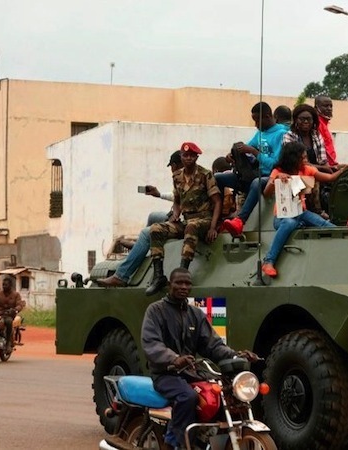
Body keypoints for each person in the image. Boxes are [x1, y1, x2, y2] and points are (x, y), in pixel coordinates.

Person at [141, 268, 258, 450]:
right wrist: (173, 359)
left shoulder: (196, 315)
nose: (183, 287)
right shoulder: (156, 311)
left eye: (187, 283)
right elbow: (151, 344)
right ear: (169, 285)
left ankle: (203, 440)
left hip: (191, 373)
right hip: (165, 374)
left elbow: (213, 345)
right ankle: (174, 443)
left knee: (220, 396)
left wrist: (236, 355)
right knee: (187, 397)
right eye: (179, 283)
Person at [261, 141, 348, 277]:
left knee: (321, 222)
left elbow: (330, 178)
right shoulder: (278, 171)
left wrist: (345, 169)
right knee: (289, 223)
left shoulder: (307, 170)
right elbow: (266, 192)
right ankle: (268, 261)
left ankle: (343, 232)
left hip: (300, 213)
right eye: (303, 158)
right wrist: (276, 178)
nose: (306, 160)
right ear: (293, 158)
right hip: (282, 217)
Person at [97, 150, 185, 288]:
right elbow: (177, 198)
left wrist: (177, 215)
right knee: (153, 216)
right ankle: (142, 247)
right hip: (178, 216)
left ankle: (122, 275)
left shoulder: (192, 177)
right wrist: (160, 195)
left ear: (175, 165)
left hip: (187, 222)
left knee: (146, 233)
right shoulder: (183, 177)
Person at [145, 142, 221, 296]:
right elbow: (177, 200)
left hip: (203, 220)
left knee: (191, 227)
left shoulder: (205, 175)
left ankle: (181, 274)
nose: (188, 158)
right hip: (185, 220)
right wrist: (175, 213)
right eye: (185, 155)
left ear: (196, 157)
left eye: (191, 155)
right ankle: (159, 276)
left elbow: (217, 201)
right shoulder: (177, 176)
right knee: (155, 229)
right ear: (181, 156)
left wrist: (213, 227)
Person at [218, 102, 289, 236]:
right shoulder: (260, 133)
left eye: (257, 120)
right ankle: (219, 218)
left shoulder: (282, 134)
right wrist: (234, 154)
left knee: (257, 182)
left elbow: (275, 164)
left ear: (268, 116)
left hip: (271, 176)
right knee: (218, 178)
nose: (256, 125)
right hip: (253, 174)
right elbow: (248, 147)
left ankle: (240, 221)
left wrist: (254, 152)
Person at [0, 276, 24, 351]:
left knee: (8, 322)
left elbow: (20, 304)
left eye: (6, 285)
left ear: (10, 286)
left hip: (8, 315)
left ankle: (8, 343)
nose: (4, 286)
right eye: (3, 285)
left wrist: (15, 309)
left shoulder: (16, 295)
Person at [315, 95, 338, 166]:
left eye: (331, 106)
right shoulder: (318, 124)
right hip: (325, 166)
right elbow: (323, 149)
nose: (329, 108)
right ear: (317, 108)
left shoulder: (324, 124)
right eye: (326, 106)